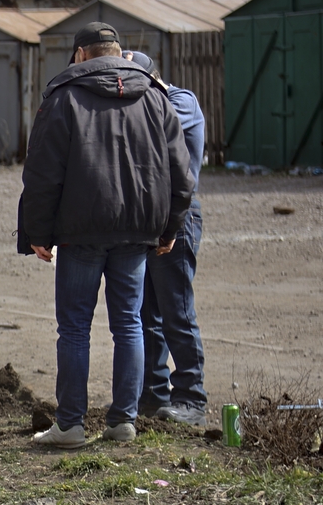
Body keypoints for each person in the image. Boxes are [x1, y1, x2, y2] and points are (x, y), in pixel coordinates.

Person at [20, 23, 193, 449]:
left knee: (75, 328)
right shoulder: (156, 97)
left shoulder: (63, 98)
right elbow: (180, 173)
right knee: (129, 324)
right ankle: (123, 421)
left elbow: (42, 174)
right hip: (137, 231)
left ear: (81, 55)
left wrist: (37, 233)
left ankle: (71, 425)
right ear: (117, 52)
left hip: (81, 231)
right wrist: (169, 228)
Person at [124, 51, 209, 427]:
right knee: (146, 314)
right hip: (147, 221)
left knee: (177, 311)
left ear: (152, 81)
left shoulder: (181, 101)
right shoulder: (152, 103)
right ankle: (154, 395)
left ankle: (191, 398)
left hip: (178, 219)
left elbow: (155, 138)